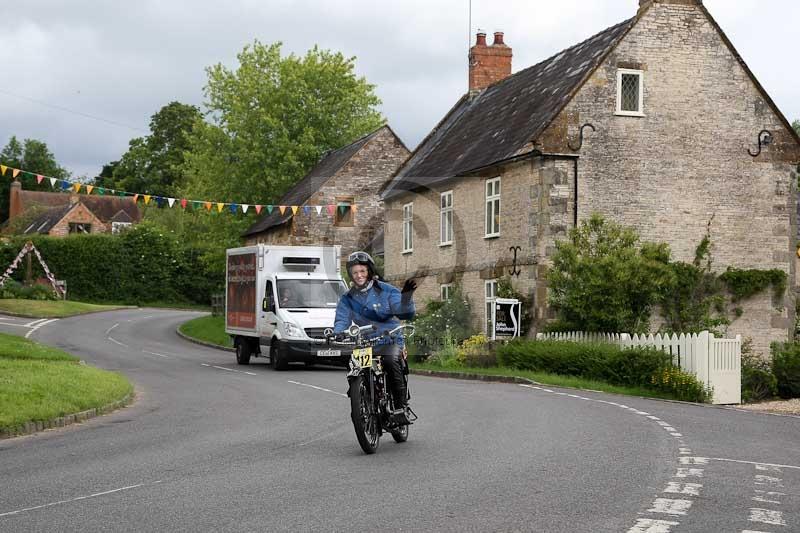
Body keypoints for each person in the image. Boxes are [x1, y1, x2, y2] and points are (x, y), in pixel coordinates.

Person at [334, 251, 416, 415]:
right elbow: (342, 319)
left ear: (369, 271)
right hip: (364, 342)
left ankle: (401, 406)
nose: (359, 275)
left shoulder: (387, 290)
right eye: (355, 272)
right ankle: (361, 398)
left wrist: (406, 300)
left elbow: (404, 313)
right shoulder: (347, 298)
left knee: (391, 361)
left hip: (389, 340)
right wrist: (339, 332)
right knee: (354, 364)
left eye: (362, 271)